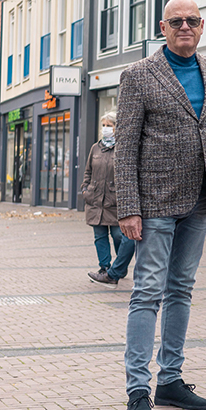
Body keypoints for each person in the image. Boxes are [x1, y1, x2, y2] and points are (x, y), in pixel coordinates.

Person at [115, 0, 206, 410]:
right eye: (176, 21)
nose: (185, 26)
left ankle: (171, 379)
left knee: (182, 289)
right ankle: (137, 391)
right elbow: (125, 147)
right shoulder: (138, 75)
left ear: (202, 27)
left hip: (201, 201)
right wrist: (128, 207)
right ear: (162, 27)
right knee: (147, 291)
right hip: (153, 205)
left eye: (193, 20)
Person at [84, 112, 134, 287]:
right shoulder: (95, 148)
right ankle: (104, 268)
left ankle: (120, 266)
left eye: (109, 125)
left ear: (116, 127)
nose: (105, 129)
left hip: (114, 201)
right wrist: (86, 190)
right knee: (100, 236)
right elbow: (88, 171)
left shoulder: (122, 148)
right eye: (103, 125)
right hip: (96, 199)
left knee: (118, 235)